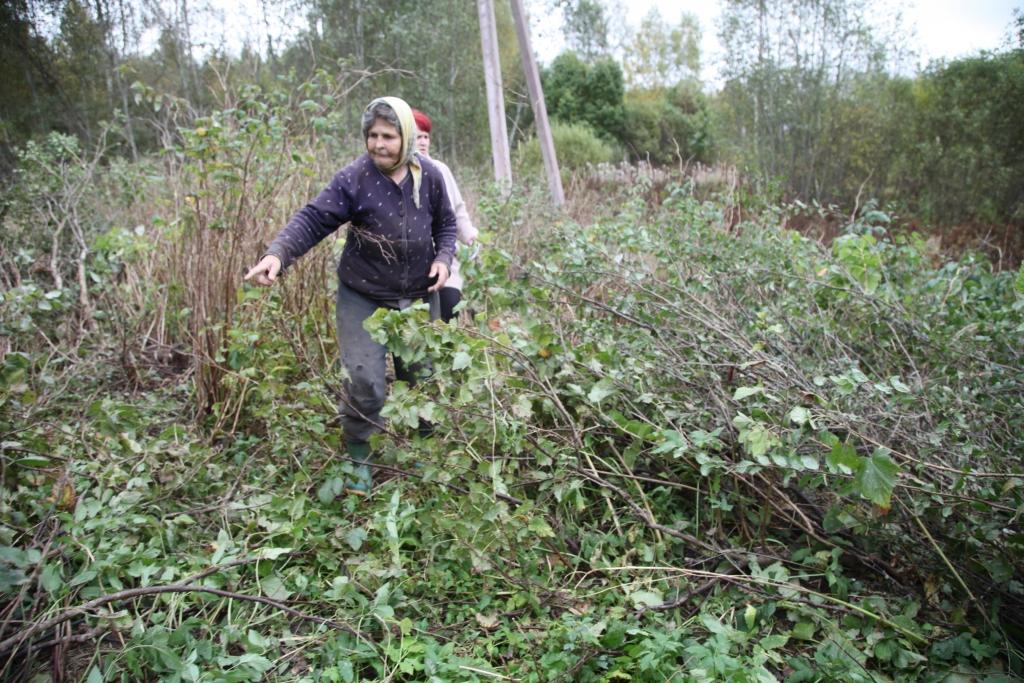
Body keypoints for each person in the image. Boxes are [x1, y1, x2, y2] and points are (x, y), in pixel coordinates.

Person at [244, 96, 457, 494]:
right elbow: (313, 219)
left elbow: (446, 224)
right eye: (372, 135)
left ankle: (427, 452)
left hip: (416, 296)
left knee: (423, 377)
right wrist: (277, 255)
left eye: (388, 136)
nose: (379, 144)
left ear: (407, 137)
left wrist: (444, 258)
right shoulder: (353, 178)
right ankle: (359, 451)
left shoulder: (429, 175)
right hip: (363, 295)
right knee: (365, 381)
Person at [412, 109, 478, 323]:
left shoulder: (440, 169)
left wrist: (469, 236)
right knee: (420, 326)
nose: (422, 142)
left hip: (446, 259)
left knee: (449, 315)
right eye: (417, 136)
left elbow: (457, 209)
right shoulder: (397, 174)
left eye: (426, 136)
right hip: (413, 266)